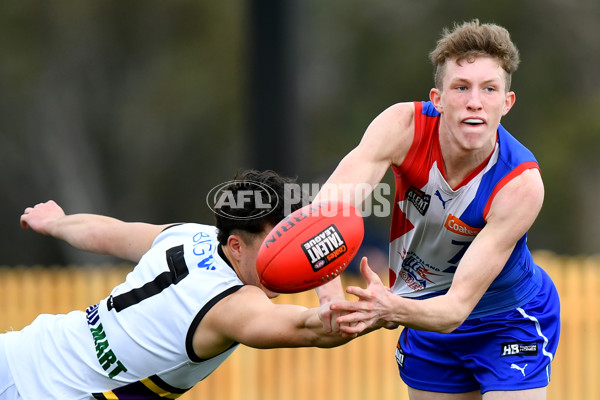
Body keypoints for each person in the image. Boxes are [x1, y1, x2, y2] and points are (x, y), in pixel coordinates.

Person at [314, 20, 560, 399]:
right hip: (426, 319)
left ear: (506, 103)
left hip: (508, 319)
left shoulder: (520, 184)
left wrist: (388, 308)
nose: (474, 101)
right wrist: (330, 299)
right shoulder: (402, 126)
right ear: (438, 98)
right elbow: (326, 212)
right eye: (461, 87)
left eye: (489, 89)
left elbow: (456, 309)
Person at [1, 170, 355, 400]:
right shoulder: (234, 304)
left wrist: (58, 223)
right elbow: (316, 330)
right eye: (277, 239)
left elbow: (107, 233)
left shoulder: (189, 235)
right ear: (236, 246)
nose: (288, 250)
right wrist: (373, 308)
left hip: (20, 351)